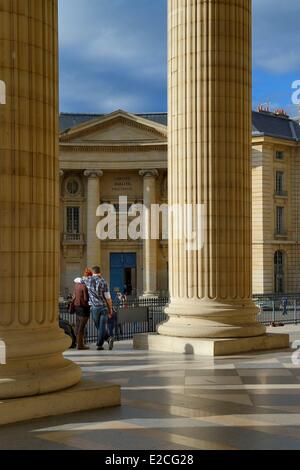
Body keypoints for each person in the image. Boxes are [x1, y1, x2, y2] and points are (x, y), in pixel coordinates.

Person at [85, 266, 113, 351]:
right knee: (102, 326)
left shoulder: (88, 280)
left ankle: (101, 344)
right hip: (104, 307)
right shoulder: (104, 282)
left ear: (93, 272)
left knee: (98, 326)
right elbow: (108, 298)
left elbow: (76, 279)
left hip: (95, 307)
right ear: (100, 273)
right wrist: (110, 310)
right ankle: (108, 339)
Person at [72, 277, 90, 350]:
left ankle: (78, 343)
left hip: (77, 307)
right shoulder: (84, 286)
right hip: (84, 308)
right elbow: (86, 298)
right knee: (82, 327)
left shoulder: (76, 286)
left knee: (78, 326)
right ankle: (80, 345)